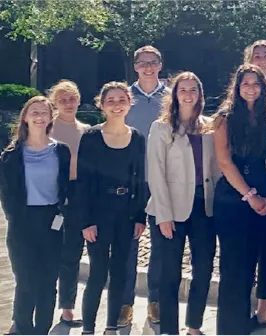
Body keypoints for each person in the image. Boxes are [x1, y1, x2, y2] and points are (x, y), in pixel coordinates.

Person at [146, 72, 218, 336]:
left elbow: (216, 169)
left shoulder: (210, 127)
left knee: (203, 269)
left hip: (204, 208)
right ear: (174, 95)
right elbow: (156, 172)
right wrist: (163, 215)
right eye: (183, 90)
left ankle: (194, 325)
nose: (188, 94)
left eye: (193, 90)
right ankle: (168, 329)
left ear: (200, 94)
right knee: (169, 272)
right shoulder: (161, 127)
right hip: (170, 211)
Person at [76, 82, 148, 336]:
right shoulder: (92, 137)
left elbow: (140, 180)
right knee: (97, 273)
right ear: (102, 105)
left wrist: (140, 216)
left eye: (121, 100)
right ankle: (87, 329)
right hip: (98, 214)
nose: (116, 105)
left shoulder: (138, 137)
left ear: (129, 103)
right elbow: (83, 181)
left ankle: (111, 328)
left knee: (120, 273)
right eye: (111, 101)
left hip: (126, 214)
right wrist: (86, 220)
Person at [211, 64, 266, 335]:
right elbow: (225, 162)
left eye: (256, 83)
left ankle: (257, 317)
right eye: (246, 83)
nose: (251, 88)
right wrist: (250, 196)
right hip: (234, 199)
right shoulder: (224, 118)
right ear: (237, 87)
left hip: (265, 197)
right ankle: (232, 328)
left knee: (261, 259)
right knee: (235, 268)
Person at [0, 96, 72, 336]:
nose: (39, 117)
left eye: (44, 112)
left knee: (49, 282)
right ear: (25, 118)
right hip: (22, 223)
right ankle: (22, 328)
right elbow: (6, 194)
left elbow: (65, 189)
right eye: (34, 112)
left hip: (52, 221)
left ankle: (42, 329)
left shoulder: (61, 151)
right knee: (26, 281)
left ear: (51, 117)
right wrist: (16, 220)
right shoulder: (11, 155)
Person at [122, 45, 170, 327]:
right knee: (128, 244)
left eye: (153, 62)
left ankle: (155, 300)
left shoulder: (171, 97)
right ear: (136, 66)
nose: (148, 67)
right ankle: (125, 303)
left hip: (163, 180)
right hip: (132, 182)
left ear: (160, 64)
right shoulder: (125, 97)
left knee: (161, 245)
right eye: (143, 63)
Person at [49, 80, 89, 329]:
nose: (67, 103)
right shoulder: (46, 128)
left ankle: (67, 309)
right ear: (55, 101)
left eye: (71, 98)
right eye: (62, 99)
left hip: (77, 196)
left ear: (78, 100)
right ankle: (37, 306)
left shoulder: (87, 130)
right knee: (45, 255)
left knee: (72, 255)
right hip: (50, 197)